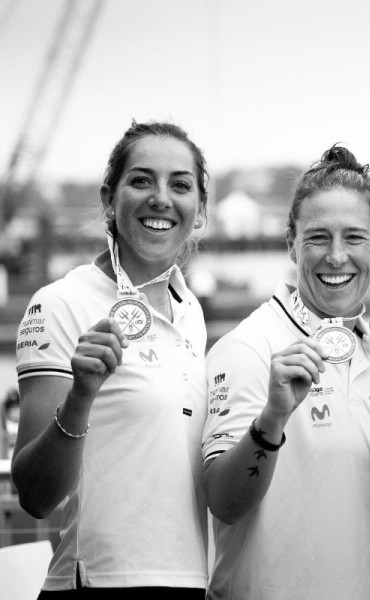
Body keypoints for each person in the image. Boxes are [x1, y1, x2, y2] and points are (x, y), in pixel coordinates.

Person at [12, 121, 210, 597]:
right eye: (141, 180)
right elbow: (36, 496)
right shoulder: (61, 303)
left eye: (180, 185)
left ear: (200, 210)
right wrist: (81, 396)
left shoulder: (190, 309)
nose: (160, 198)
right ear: (109, 199)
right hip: (98, 582)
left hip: (190, 579)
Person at [201, 146, 370, 600]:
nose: (336, 257)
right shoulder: (249, 348)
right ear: (291, 242)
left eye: (354, 237)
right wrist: (272, 419)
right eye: (318, 238)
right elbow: (224, 502)